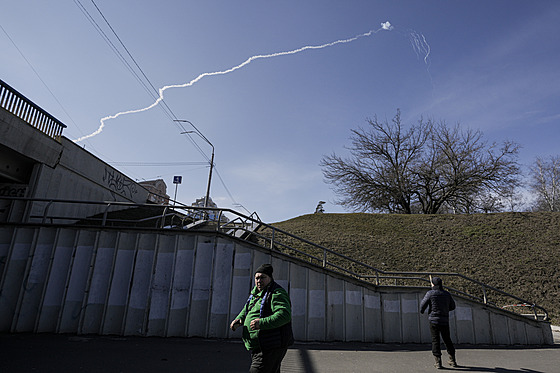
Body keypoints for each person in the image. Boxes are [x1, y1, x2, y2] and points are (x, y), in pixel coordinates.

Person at [230, 263, 294, 373]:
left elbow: (284, 315)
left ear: (270, 278)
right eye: (257, 278)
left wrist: (262, 323)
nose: (259, 281)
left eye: (263, 277)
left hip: (270, 346)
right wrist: (240, 319)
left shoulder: (276, 293)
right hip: (260, 346)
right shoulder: (256, 294)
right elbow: (246, 310)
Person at [420, 276, 458, 369]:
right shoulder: (446, 294)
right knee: (447, 340)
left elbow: (422, 305)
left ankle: (438, 362)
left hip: (433, 320)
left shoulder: (430, 293)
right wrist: (445, 310)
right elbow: (453, 306)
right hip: (444, 320)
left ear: (433, 284)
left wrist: (423, 311)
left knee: (435, 340)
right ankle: (452, 360)